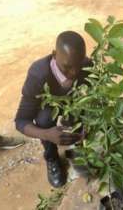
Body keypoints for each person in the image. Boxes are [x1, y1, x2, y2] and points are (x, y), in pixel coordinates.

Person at [15, 31, 91, 188]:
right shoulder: (38, 74)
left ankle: (76, 150)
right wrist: (46, 134)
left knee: (80, 113)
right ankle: (51, 157)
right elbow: (21, 120)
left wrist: (89, 125)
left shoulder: (87, 66)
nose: (74, 73)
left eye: (78, 65)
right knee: (44, 119)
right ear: (55, 54)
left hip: (75, 104)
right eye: (67, 67)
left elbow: (96, 100)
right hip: (48, 108)